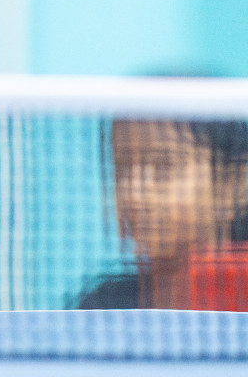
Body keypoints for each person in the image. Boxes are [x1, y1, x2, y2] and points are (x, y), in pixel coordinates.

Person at [75, 119, 248, 309]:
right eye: (123, 166)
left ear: (233, 182)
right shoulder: (103, 308)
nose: (135, 195)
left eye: (163, 166)